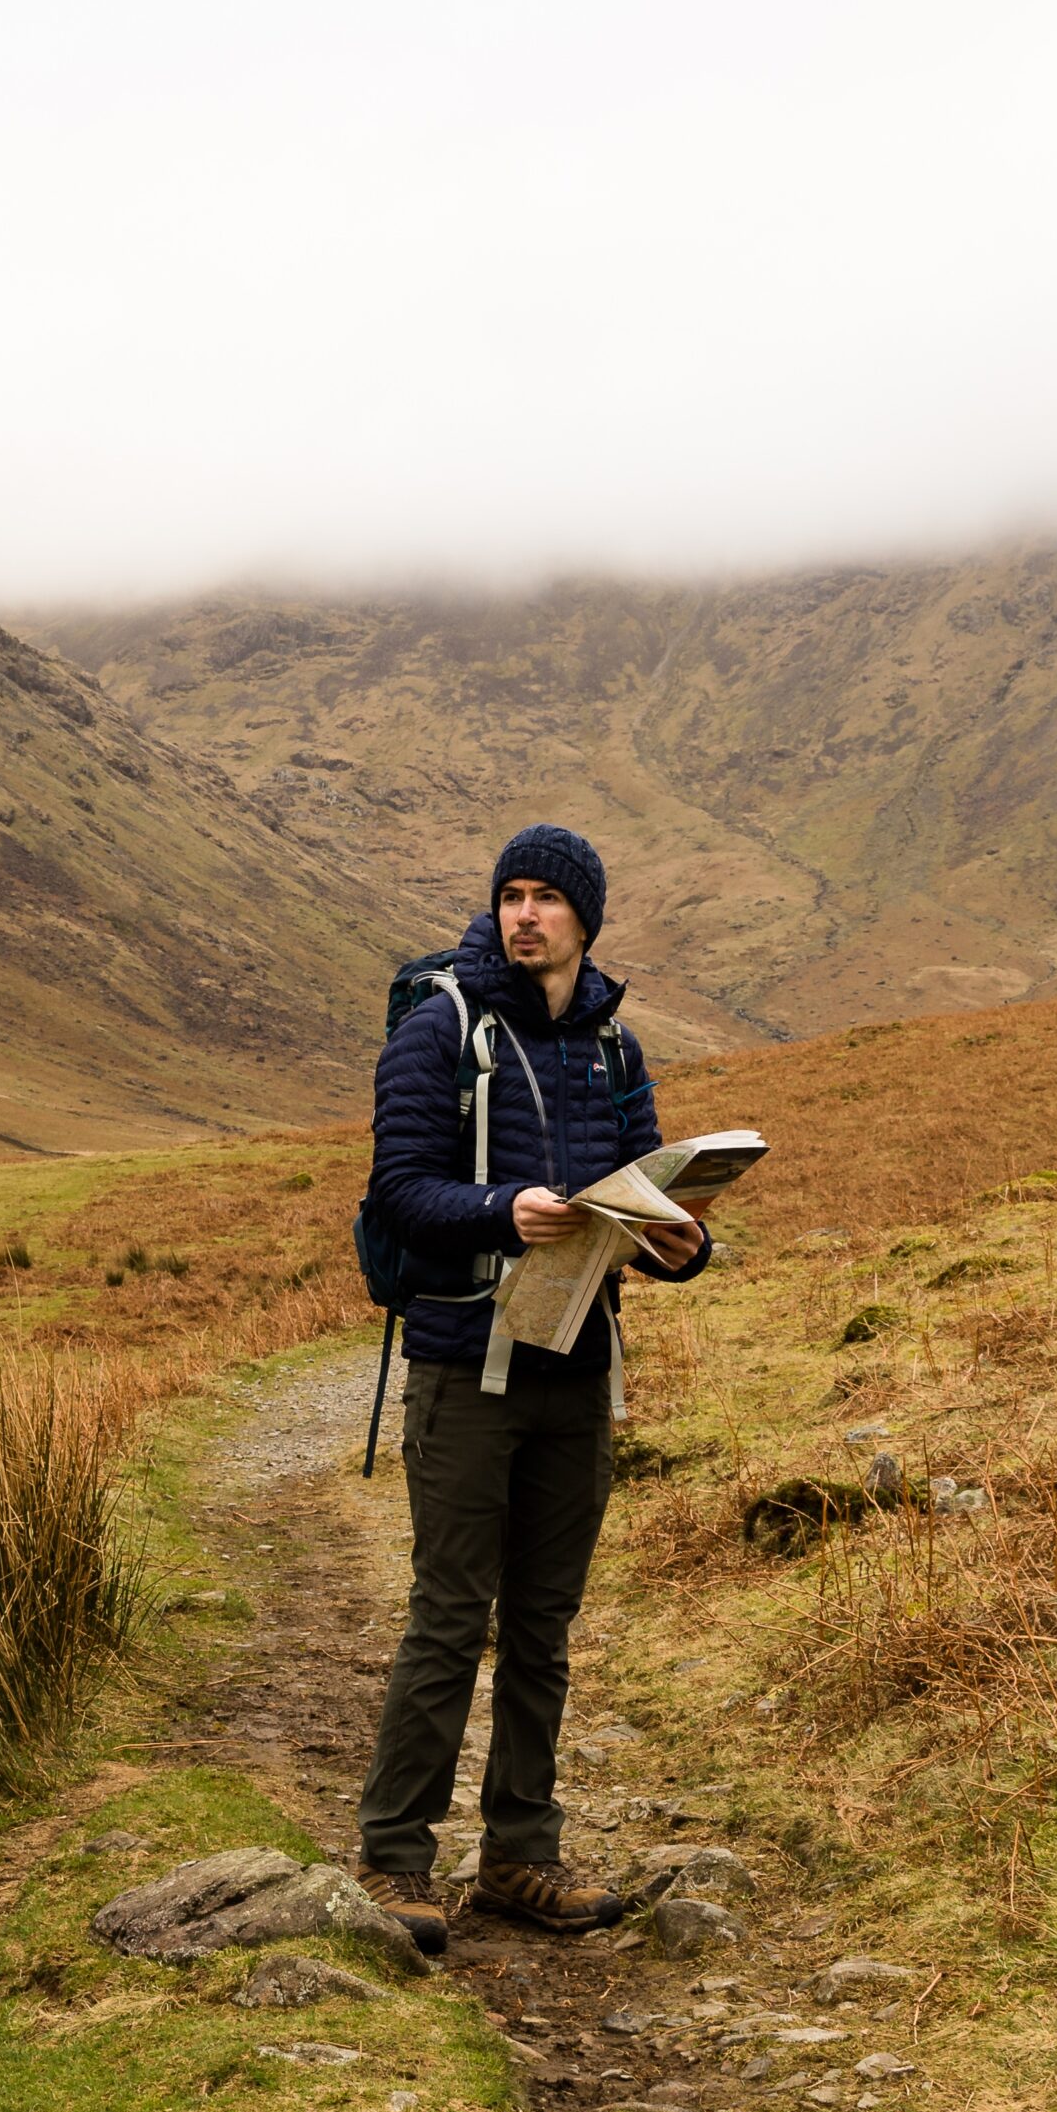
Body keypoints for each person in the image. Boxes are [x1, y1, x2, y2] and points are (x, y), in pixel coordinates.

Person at [354, 822, 711, 1953]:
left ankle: (520, 1856)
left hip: (580, 1363)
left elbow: (650, 1186)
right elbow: (399, 1189)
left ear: (582, 919)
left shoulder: (611, 1046)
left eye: (546, 897)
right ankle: (394, 1858)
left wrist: (680, 1245)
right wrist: (501, 1210)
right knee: (450, 1616)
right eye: (509, 894)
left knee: (544, 1624)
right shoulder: (439, 1027)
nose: (524, 914)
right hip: (465, 1366)